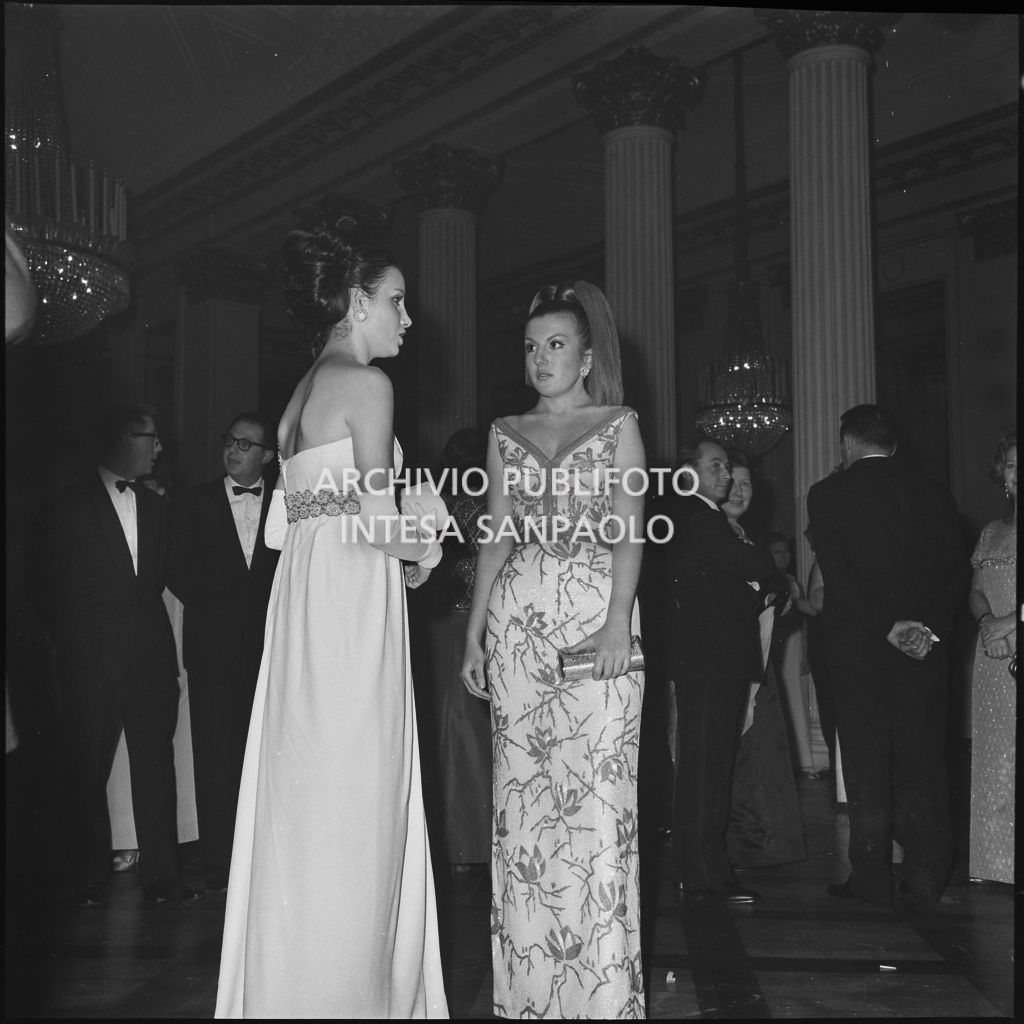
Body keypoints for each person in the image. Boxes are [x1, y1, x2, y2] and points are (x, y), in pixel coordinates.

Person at [215, 216, 448, 1018]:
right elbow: (383, 528)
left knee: (307, 795)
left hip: (307, 608)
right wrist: (432, 535)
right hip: (349, 614)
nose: (407, 318)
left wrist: (400, 544)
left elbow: (286, 527)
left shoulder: (297, 395)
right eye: (395, 300)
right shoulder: (369, 386)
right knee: (359, 803)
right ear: (355, 302)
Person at [460, 280, 646, 1018]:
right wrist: (475, 632)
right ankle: (531, 995)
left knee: (598, 807)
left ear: (588, 354)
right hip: (518, 627)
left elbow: (631, 526)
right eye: (533, 346)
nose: (542, 358)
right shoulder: (505, 429)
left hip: (598, 613)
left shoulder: (618, 423)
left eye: (557, 344)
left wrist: (618, 623)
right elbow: (498, 533)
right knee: (523, 810)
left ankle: (601, 998)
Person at [807, 404, 968, 910]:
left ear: (847, 443)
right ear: (894, 444)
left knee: (866, 764)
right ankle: (926, 878)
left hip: (860, 652)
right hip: (924, 653)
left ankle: (871, 878)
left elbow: (839, 576)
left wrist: (887, 628)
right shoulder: (935, 494)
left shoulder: (828, 493)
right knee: (924, 761)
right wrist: (928, 632)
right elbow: (954, 575)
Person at [42, 403, 202, 907]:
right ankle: (87, 875)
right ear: (120, 440)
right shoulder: (65, 505)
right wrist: (67, 646)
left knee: (156, 765)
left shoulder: (158, 507)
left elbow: (184, 578)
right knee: (87, 765)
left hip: (150, 657)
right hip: (91, 659)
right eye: (150, 438)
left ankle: (162, 876)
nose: (159, 448)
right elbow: (43, 586)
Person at [167, 412, 280, 892]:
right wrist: (218, 605)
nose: (232, 450)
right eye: (228, 440)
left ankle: (267, 856)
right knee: (215, 755)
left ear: (268, 456)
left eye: (245, 444)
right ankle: (218, 860)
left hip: (274, 646)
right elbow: (174, 567)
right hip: (212, 647)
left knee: (269, 752)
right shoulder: (192, 501)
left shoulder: (287, 502)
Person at [662, 438, 776, 905]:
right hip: (711, 660)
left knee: (704, 766)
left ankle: (701, 869)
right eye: (716, 466)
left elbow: (750, 576)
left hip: (709, 659)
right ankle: (705, 873)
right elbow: (758, 565)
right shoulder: (699, 518)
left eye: (727, 466)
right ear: (688, 472)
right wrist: (754, 577)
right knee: (707, 767)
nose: (727, 475)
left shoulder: (700, 518)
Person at [723, 455, 806, 869]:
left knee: (760, 749)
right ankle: (741, 847)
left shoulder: (747, 540)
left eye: (747, 483)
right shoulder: (711, 535)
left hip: (759, 657)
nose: (739, 490)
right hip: (726, 662)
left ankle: (765, 847)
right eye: (732, 482)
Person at [419, 428, 492, 868]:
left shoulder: (435, 500)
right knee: (471, 734)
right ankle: (473, 844)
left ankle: (451, 845)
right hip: (475, 627)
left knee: (447, 733)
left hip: (442, 623)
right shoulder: (493, 503)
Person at [966, 431, 1016, 884]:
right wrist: (988, 625)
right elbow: (976, 591)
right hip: (992, 655)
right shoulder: (992, 531)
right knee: (995, 752)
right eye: (1013, 465)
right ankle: (995, 863)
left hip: (1014, 639)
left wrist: (1012, 623)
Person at [762, 531, 818, 778]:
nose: (783, 556)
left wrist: (805, 651)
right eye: (777, 552)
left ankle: (804, 760)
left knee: (796, 694)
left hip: (793, 640)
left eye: (786, 551)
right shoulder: (765, 579)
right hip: (774, 640)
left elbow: (807, 616)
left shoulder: (791, 581)